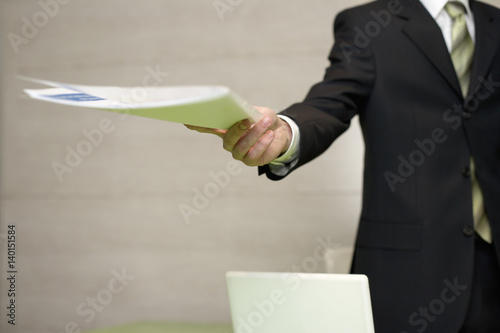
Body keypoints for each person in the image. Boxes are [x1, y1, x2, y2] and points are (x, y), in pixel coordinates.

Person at [186, 0, 500, 332]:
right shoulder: (370, 22)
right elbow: (330, 103)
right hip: (411, 273)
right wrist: (287, 133)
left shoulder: (494, 21)